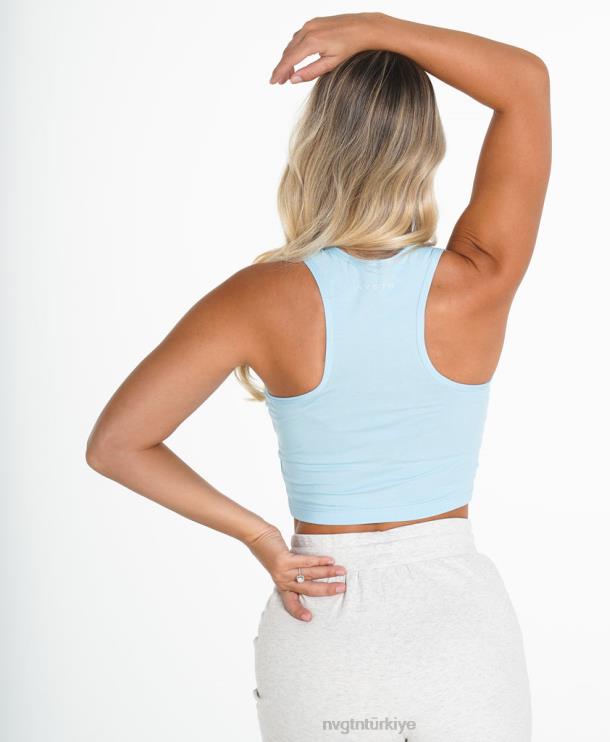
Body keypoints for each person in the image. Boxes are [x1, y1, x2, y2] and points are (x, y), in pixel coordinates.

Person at [86, 12, 551, 742]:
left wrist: (259, 538)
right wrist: (373, 27)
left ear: (314, 146)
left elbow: (116, 445)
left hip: (320, 613)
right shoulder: (476, 279)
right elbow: (524, 84)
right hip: (457, 626)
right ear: (427, 150)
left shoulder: (256, 297)